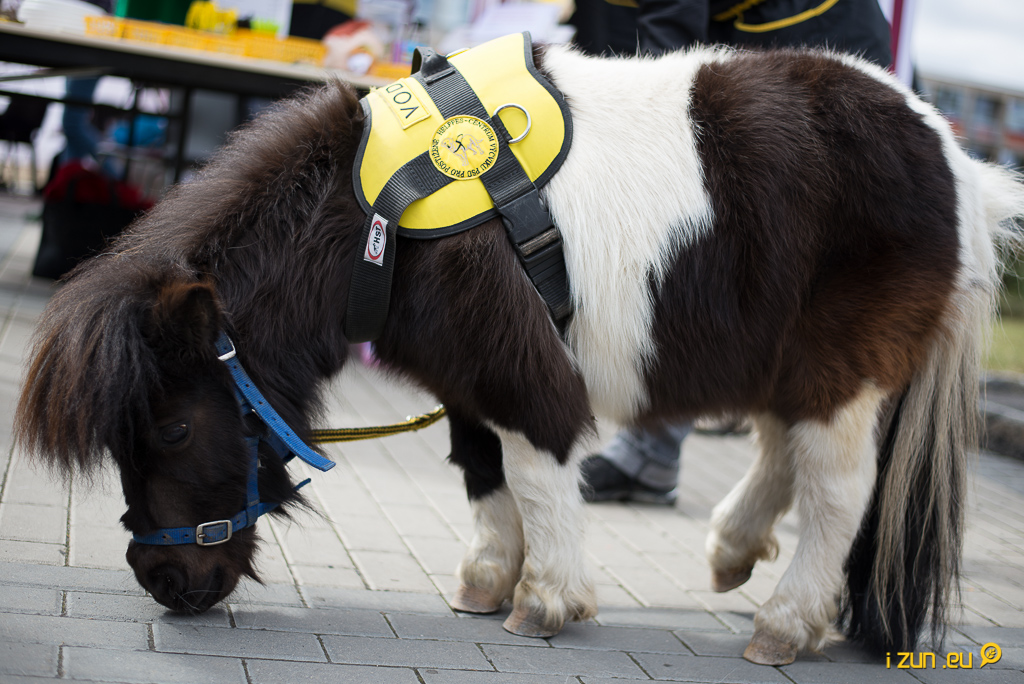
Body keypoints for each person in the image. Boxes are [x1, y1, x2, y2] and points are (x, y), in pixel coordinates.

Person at [575, 0, 896, 504]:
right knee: (701, 254)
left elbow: (669, 31)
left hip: (818, 58)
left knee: (732, 263)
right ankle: (652, 452)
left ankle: (859, 484)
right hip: (756, 54)